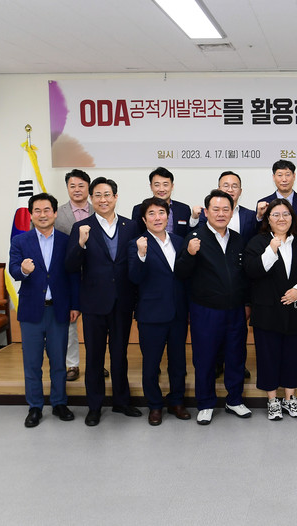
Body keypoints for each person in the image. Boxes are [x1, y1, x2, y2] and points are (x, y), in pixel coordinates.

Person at [65, 177, 141, 426]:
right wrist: (80, 244)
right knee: (95, 357)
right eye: (97, 195)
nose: (103, 199)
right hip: (94, 303)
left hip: (122, 301)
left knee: (120, 354)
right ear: (91, 199)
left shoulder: (130, 226)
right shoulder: (81, 227)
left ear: (116, 197)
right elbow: (70, 265)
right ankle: (95, 406)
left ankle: (122, 402)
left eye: (107, 194)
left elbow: (135, 262)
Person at [175, 189, 252, 425]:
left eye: (225, 209)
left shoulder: (238, 239)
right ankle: (206, 403)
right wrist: (189, 254)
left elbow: (245, 275)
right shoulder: (195, 237)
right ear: (206, 212)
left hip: (235, 310)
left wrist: (247, 303)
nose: (221, 214)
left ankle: (234, 400)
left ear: (232, 211)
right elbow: (181, 272)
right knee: (205, 358)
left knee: (236, 356)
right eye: (215, 209)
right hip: (205, 311)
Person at [244, 199, 297, 420]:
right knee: (268, 356)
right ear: (268, 219)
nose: (281, 218)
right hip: (267, 311)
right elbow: (251, 271)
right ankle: (272, 400)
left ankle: (290, 398)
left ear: (292, 218)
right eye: (275, 214)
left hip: (296, 309)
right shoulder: (257, 242)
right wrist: (271, 250)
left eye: (286, 214)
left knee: (292, 356)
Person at [9, 193, 79, 427]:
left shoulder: (66, 240)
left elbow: (73, 275)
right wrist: (23, 270)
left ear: (55, 213)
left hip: (59, 310)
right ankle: (35, 407)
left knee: (58, 361)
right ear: (31, 215)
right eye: (37, 210)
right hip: (31, 311)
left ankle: (59, 403)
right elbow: (13, 270)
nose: (42, 214)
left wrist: (75, 305)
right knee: (32, 363)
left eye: (47, 210)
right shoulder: (20, 241)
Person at [128, 197, 190, 426]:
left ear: (168, 216)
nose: (157, 218)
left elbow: (185, 276)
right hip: (151, 314)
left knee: (178, 363)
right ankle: (154, 405)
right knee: (151, 364)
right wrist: (141, 255)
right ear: (144, 220)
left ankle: (177, 401)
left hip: (178, 313)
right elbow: (134, 277)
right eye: (151, 214)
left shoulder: (179, 241)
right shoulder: (136, 244)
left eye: (161, 213)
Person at [200, 170, 255, 380]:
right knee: (213, 335)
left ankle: (237, 367)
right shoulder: (206, 215)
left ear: (240, 190)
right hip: (211, 292)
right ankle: (216, 364)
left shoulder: (250, 216)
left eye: (234, 186)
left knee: (237, 336)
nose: (230, 189)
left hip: (238, 286)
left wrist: (248, 300)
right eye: (226, 185)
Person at [54, 168, 94, 382]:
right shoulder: (57, 213)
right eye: (72, 186)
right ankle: (72, 364)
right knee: (70, 321)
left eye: (81, 185)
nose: (77, 189)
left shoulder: (100, 209)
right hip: (68, 274)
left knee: (96, 324)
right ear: (67, 188)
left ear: (88, 187)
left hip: (95, 274)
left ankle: (96, 364)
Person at [131, 166, 198, 237]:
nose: (161, 189)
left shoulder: (184, 209)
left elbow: (189, 235)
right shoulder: (139, 209)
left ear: (172, 186)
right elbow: (136, 235)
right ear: (151, 187)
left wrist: (195, 218)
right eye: (157, 185)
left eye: (165, 185)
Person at [257, 160, 297, 239]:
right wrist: (259, 217)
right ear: (274, 177)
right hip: (271, 245)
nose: (284, 179)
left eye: (288, 175)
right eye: (280, 175)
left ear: (294, 176)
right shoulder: (264, 203)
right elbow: (259, 233)